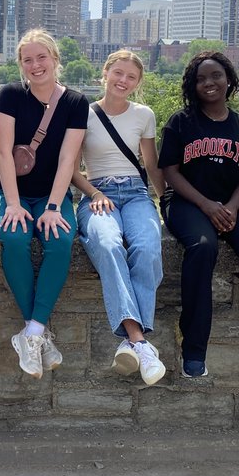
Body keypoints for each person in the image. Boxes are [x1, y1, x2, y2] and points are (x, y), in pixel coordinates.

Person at [158, 51, 239, 381]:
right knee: (203, 246)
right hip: (186, 202)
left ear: (229, 79)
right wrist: (206, 205)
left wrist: (230, 207)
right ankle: (194, 348)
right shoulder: (181, 122)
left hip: (232, 204)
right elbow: (170, 171)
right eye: (200, 79)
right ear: (192, 85)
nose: (208, 83)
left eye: (215, 76)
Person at [0, 29, 89, 378]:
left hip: (51, 195)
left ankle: (31, 332)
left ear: (55, 59)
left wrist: (52, 208)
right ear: (21, 65)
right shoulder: (11, 95)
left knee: (60, 241)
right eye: (27, 59)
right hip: (9, 191)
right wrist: (13, 204)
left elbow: (67, 161)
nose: (35, 65)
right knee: (15, 236)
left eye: (41, 57)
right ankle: (38, 333)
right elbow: (3, 152)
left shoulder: (76, 103)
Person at [71, 50, 167, 385]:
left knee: (147, 246)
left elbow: (152, 166)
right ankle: (139, 341)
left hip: (136, 193)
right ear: (106, 73)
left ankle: (133, 341)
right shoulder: (83, 113)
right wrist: (95, 194)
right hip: (96, 193)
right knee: (109, 244)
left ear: (138, 83)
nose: (123, 81)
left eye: (131, 77)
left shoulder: (144, 115)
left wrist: (166, 203)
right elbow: (70, 170)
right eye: (118, 73)